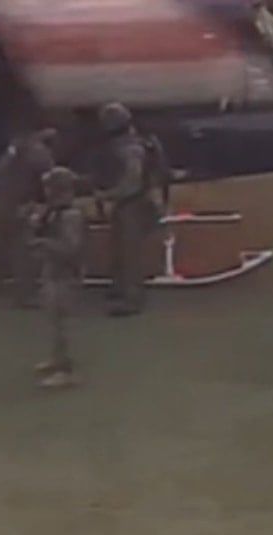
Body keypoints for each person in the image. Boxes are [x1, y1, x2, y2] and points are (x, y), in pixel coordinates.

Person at [93, 102, 166, 317]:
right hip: (129, 203)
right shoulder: (135, 143)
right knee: (119, 248)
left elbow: (132, 183)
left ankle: (132, 299)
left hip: (135, 203)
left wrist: (107, 195)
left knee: (129, 253)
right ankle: (120, 287)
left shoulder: (130, 148)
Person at [28, 167, 87, 389]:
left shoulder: (71, 215)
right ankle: (57, 359)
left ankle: (66, 370)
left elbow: (70, 248)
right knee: (54, 319)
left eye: (49, 187)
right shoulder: (53, 212)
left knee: (63, 323)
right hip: (53, 270)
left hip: (66, 274)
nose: (46, 191)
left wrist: (43, 244)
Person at [0, 127, 57, 307]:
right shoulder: (41, 154)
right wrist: (41, 207)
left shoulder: (14, 149)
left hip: (1, 201)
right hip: (20, 204)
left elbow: (0, 172)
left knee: (3, 244)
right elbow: (50, 182)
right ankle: (25, 296)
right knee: (23, 251)